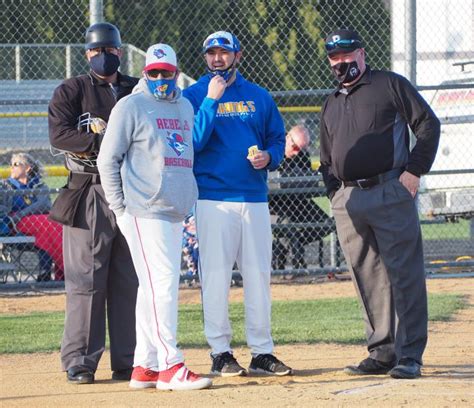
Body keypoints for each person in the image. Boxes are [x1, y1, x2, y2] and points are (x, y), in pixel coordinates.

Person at [319, 29, 440, 379]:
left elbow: (428, 124)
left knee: (404, 274)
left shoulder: (389, 84)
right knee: (367, 276)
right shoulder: (331, 102)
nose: (340, 62)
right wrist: (335, 193)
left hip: (389, 189)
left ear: (361, 53)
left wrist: (414, 171)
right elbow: (326, 158)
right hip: (349, 199)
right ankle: (383, 350)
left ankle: (410, 354)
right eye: (333, 57)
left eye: (346, 54)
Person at [98, 43, 211, 391]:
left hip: (173, 210)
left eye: (166, 72)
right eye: (154, 73)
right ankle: (170, 365)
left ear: (176, 73)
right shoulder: (130, 106)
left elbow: (184, 151)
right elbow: (107, 160)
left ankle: (144, 366)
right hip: (143, 209)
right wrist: (119, 208)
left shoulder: (185, 106)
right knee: (163, 286)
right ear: (145, 73)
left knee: (151, 289)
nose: (161, 78)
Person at [183, 31, 292, 377]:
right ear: (205, 58)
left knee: (259, 275)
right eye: (211, 53)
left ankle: (262, 351)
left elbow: (277, 139)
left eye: (224, 52)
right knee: (215, 276)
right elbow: (192, 143)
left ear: (237, 56)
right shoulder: (194, 95)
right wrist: (211, 102)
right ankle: (220, 352)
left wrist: (269, 157)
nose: (217, 59)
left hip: (254, 198)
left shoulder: (258, 97)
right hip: (212, 198)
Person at [48, 22, 138, 384]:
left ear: (120, 52)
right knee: (87, 280)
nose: (103, 56)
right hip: (89, 190)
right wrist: (105, 142)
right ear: (87, 54)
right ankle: (81, 360)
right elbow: (61, 135)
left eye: (110, 50)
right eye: (96, 51)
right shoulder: (73, 90)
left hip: (132, 192)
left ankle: (129, 359)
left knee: (128, 280)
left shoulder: (135, 89)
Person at [269, 125, 335, 269]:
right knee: (286, 225)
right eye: (295, 147)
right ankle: (294, 259)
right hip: (272, 205)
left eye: (301, 149)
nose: (296, 152)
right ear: (287, 138)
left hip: (296, 202)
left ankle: (286, 245)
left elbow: (307, 184)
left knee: (327, 224)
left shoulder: (302, 156)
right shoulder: (273, 148)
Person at [0, 153, 58, 282]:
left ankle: (45, 274)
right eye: (11, 164)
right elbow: (3, 210)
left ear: (27, 168)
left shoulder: (39, 186)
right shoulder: (4, 186)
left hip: (40, 230)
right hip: (14, 230)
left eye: (16, 164)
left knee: (49, 232)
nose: (11, 167)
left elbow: (45, 205)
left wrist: (21, 214)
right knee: (48, 225)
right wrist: (19, 217)